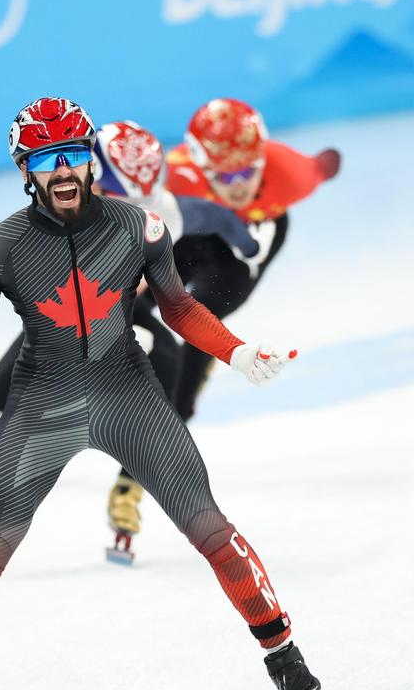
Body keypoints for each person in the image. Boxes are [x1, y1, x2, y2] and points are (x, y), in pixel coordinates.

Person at [0, 97, 333, 690]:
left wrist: (238, 351)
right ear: (26, 169)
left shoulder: (142, 226)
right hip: (41, 403)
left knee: (211, 528)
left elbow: (180, 308)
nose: (63, 170)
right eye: (47, 159)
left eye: (73, 155)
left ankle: (287, 660)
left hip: (127, 394)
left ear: (90, 161)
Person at [0, 121, 259, 576]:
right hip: (56, 333)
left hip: (120, 320)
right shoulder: (47, 219)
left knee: (169, 360)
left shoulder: (160, 215)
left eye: (141, 201)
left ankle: (129, 485)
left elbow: (212, 217)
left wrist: (247, 242)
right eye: (118, 198)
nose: (129, 213)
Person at [110, 98, 342, 534]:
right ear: (200, 165)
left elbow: (325, 165)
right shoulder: (177, 172)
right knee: (132, 297)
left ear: (262, 158)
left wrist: (327, 161)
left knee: (203, 322)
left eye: (246, 172)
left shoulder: (291, 173)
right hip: (198, 228)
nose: (237, 186)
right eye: (224, 176)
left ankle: (137, 470)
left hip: (246, 246)